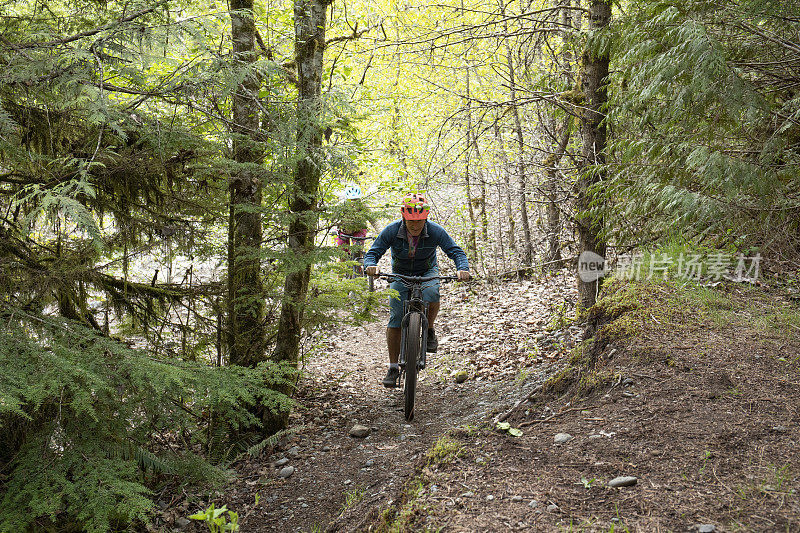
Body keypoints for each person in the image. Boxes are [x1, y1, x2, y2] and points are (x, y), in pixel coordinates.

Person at [363, 193, 471, 388]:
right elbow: (373, 252)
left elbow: (455, 251)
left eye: (419, 222)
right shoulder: (392, 230)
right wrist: (371, 265)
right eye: (411, 222)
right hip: (400, 273)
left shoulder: (436, 231)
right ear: (404, 217)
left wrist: (462, 268)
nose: (415, 226)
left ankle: (429, 329)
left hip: (427, 271)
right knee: (396, 317)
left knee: (432, 294)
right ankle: (393, 366)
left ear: (425, 218)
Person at [333, 183, 380, 262]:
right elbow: (335, 218)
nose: (353, 202)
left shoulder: (363, 206)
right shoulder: (342, 205)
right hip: (344, 230)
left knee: (357, 251)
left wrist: (380, 232)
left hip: (359, 230)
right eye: (351, 200)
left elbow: (373, 219)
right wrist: (334, 228)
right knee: (342, 253)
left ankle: (358, 271)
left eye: (355, 199)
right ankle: (341, 272)